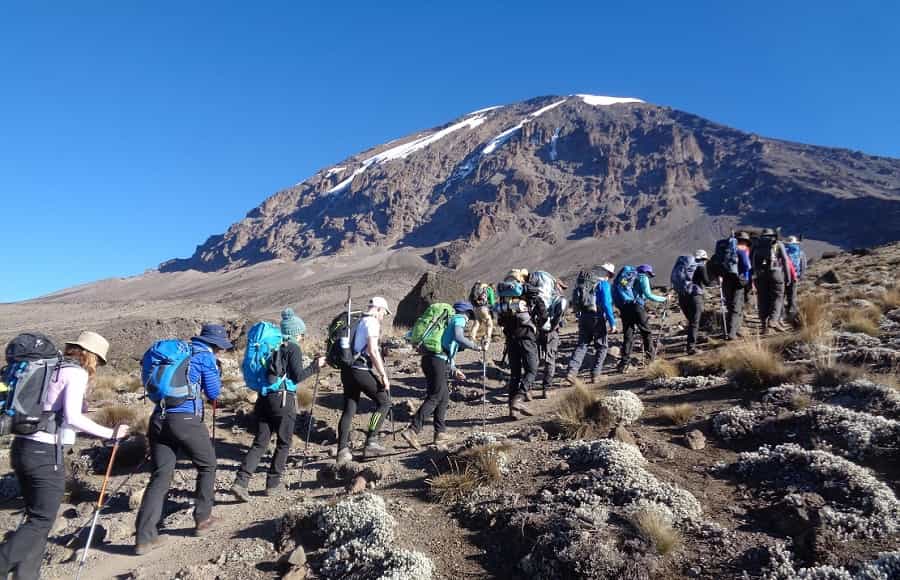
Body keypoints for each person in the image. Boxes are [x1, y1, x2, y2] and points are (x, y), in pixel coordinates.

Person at [0, 332, 128, 580]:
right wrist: (111, 433)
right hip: (46, 454)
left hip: (22, 448)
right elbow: (73, 418)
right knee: (41, 520)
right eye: (98, 361)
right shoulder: (75, 372)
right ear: (91, 356)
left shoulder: (49, 367)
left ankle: (27, 575)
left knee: (36, 518)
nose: (97, 367)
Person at [135, 323, 230, 554]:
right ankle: (203, 518)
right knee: (208, 465)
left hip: (158, 417)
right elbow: (214, 393)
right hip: (185, 419)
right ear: (215, 345)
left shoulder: (177, 352)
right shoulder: (203, 357)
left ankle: (144, 537)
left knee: (160, 474)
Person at [230, 309, 325, 501]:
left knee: (260, 442)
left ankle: (241, 482)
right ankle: (273, 485)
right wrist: (316, 366)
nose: (302, 336)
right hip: (282, 399)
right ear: (296, 331)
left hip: (264, 398)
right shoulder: (292, 347)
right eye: (301, 332)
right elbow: (297, 376)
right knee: (284, 442)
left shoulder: (274, 345)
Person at [401, 301, 481, 449]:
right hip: (437, 361)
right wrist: (476, 347)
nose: (468, 320)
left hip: (431, 360)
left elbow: (447, 347)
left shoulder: (446, 323)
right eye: (470, 315)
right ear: (466, 312)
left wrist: (453, 369)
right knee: (435, 396)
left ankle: (440, 433)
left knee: (443, 396)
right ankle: (412, 430)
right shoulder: (459, 318)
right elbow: (458, 337)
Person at [336, 296, 393, 465]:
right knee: (384, 402)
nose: (384, 315)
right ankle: (371, 442)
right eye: (384, 312)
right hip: (360, 370)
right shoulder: (372, 322)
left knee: (349, 408)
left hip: (347, 370)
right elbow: (373, 350)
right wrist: (383, 375)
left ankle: (342, 451)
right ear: (378, 308)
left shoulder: (357, 320)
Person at [495, 269, 543, 419]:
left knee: (515, 374)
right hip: (526, 336)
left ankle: (512, 409)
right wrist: (539, 324)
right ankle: (519, 398)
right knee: (532, 369)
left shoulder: (503, 297)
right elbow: (542, 311)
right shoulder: (527, 292)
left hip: (510, 338)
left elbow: (500, 320)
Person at [566, 263, 617, 383]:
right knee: (602, 346)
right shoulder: (603, 284)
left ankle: (571, 372)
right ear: (608, 274)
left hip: (583, 316)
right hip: (597, 317)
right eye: (610, 275)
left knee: (582, 344)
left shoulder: (586, 283)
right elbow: (606, 304)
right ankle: (595, 374)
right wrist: (612, 322)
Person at [617, 264, 666, 373]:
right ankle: (651, 359)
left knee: (628, 335)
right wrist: (664, 299)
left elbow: (623, 288)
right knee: (646, 332)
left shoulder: (628, 278)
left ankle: (624, 363)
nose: (649, 277)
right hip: (637, 307)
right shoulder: (642, 278)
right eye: (649, 274)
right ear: (646, 272)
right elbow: (648, 295)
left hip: (625, 308)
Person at [753, 228, 795, 334]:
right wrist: (788, 277)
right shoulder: (778, 244)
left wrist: (754, 275)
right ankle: (773, 320)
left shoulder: (756, 244)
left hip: (760, 275)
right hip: (776, 273)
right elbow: (785, 260)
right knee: (777, 297)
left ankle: (764, 325)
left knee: (763, 299)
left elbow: (751, 260)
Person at [677, 250, 713, 355]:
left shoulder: (685, 266)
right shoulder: (700, 266)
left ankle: (691, 344)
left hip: (682, 296)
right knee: (695, 322)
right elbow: (707, 282)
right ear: (703, 258)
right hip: (695, 296)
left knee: (691, 322)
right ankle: (691, 348)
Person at [722, 232, 753, 340]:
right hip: (738, 280)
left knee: (730, 306)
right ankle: (732, 333)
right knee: (737, 306)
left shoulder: (726, 249)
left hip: (726, 280)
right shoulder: (742, 249)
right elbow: (747, 265)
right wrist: (747, 279)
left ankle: (731, 330)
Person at [537, 292, 567, 397]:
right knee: (550, 359)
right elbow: (559, 316)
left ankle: (528, 388)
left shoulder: (541, 297)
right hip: (551, 332)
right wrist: (553, 327)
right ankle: (547, 388)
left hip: (539, 330)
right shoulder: (559, 299)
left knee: (536, 358)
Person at [783, 235, 807, 323]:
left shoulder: (784, 251)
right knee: (792, 296)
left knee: (782, 296)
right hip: (795, 277)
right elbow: (803, 266)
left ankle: (781, 315)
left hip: (783, 276)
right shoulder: (800, 253)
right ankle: (791, 315)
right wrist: (801, 276)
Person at [469, 281, 497, 345]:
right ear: (493, 287)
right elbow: (492, 302)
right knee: (489, 324)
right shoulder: (489, 289)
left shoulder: (480, 289)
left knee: (476, 323)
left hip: (475, 308)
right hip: (483, 308)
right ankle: (488, 338)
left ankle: (471, 338)